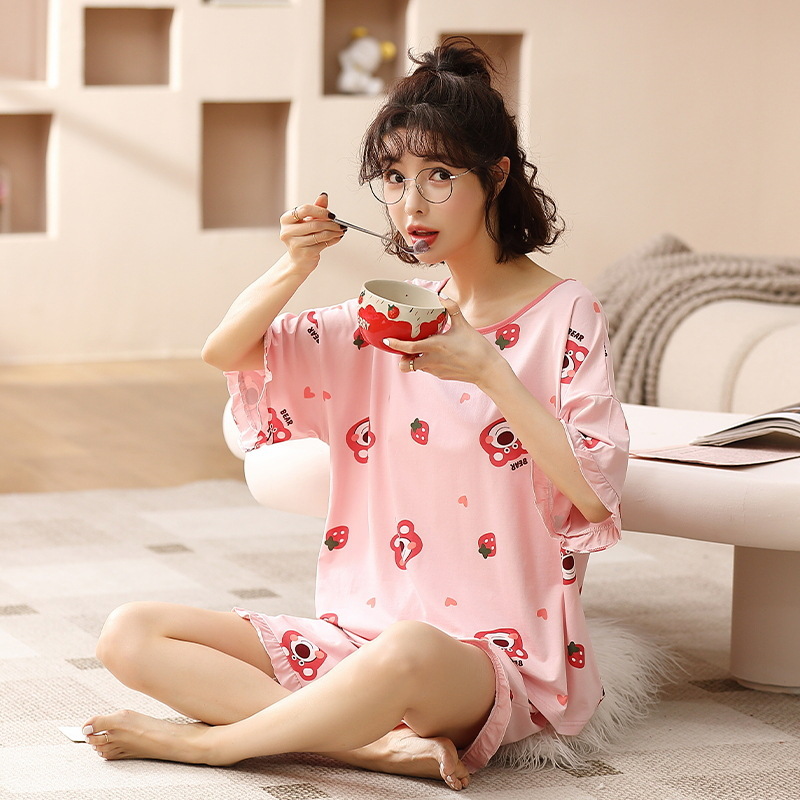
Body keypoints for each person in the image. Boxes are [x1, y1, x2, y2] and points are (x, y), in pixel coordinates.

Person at [82, 37, 628, 792]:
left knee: (409, 650)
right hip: (355, 636)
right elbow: (227, 351)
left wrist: (490, 371)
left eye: (440, 176)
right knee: (130, 633)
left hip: (490, 659)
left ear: (497, 176)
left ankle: (215, 747)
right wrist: (294, 263)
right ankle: (371, 749)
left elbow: (595, 491)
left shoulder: (566, 313)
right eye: (396, 178)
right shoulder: (392, 318)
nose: (411, 205)